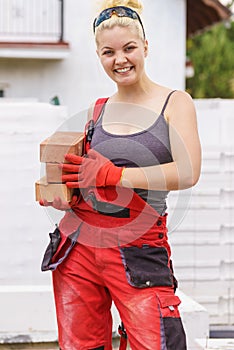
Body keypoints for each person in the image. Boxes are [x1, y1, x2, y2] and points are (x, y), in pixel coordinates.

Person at [39, 0, 201, 349]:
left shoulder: (174, 102)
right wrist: (62, 188)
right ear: (99, 55)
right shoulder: (98, 110)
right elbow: (86, 175)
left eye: (129, 48)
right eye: (108, 52)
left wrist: (117, 176)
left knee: (157, 342)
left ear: (146, 46)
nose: (120, 59)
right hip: (79, 243)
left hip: (139, 249)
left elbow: (188, 172)